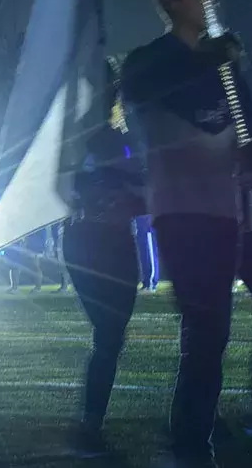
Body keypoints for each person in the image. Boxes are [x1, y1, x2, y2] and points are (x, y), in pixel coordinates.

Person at [121, 0, 252, 463]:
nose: (210, 0)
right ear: (172, 0)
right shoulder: (150, 61)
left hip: (226, 214)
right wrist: (206, 61)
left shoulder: (225, 66)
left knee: (212, 337)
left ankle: (194, 443)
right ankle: (191, 446)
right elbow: (138, 86)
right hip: (180, 213)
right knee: (203, 333)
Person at [61, 64, 146, 457]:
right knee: (109, 334)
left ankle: (91, 422)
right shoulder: (74, 141)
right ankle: (90, 423)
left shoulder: (123, 140)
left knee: (111, 336)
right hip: (88, 240)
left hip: (116, 242)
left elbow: (141, 187)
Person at [132, 215, 160, 292]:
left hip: (147, 227)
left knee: (150, 254)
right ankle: (146, 282)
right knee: (144, 256)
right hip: (140, 226)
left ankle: (152, 282)